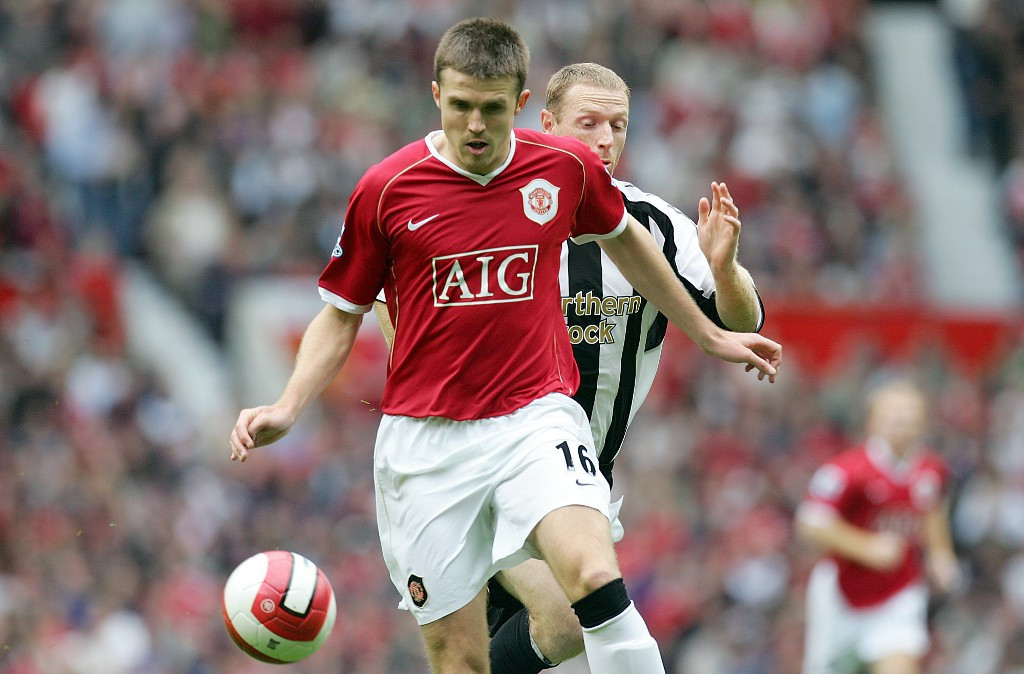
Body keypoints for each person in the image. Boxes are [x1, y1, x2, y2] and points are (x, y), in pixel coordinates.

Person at [229, 18, 781, 674]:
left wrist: (711, 328)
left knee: (592, 581)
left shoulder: (570, 175)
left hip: (536, 424)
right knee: (464, 661)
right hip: (428, 449)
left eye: (492, 108)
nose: (475, 124)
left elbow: (630, 239)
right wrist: (289, 406)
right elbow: (344, 312)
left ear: (519, 107)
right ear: (437, 94)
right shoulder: (387, 189)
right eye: (460, 105)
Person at [375, 62, 767, 673]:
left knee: (554, 636)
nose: (606, 139)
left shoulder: (657, 227)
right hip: (482, 459)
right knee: (566, 618)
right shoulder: (497, 209)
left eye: (619, 125)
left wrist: (722, 272)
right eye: (590, 123)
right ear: (549, 125)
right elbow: (389, 286)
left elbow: (742, 323)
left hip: (583, 483)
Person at [795, 378, 959, 674]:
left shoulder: (932, 469)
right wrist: (866, 547)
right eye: (893, 412)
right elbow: (810, 522)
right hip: (841, 594)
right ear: (873, 421)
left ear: (923, 422)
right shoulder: (847, 470)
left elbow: (934, 511)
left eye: (909, 413)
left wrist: (940, 554)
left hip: (899, 591)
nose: (901, 420)